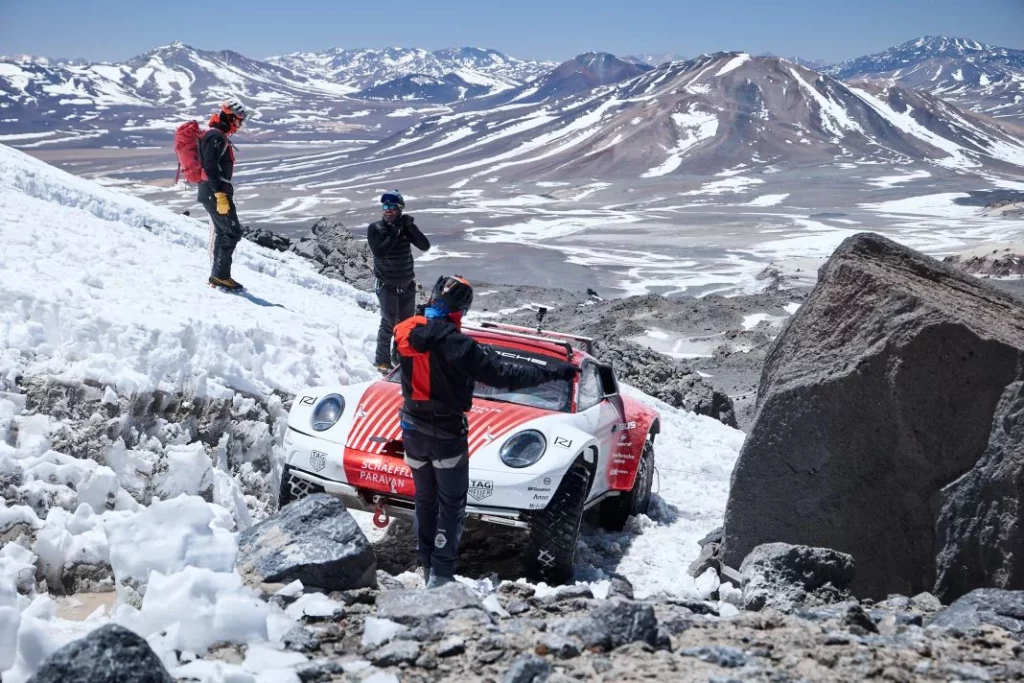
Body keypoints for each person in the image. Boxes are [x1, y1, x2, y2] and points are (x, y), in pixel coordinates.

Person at [394, 275, 578, 588]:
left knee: (425, 499)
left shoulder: (405, 331)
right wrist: (553, 371)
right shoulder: (459, 345)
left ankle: (425, 563)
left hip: (412, 427)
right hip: (446, 433)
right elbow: (505, 375)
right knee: (450, 505)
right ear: (461, 309)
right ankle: (440, 577)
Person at [367, 190, 430, 372]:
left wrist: (411, 228)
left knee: (406, 324)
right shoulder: (376, 228)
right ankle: (382, 361)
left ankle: (400, 358)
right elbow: (379, 251)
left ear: (400, 208)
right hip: (386, 284)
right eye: (385, 206)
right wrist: (394, 233)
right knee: (389, 322)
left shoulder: (405, 228)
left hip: (406, 283)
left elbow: (424, 245)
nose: (388, 210)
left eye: (392, 207)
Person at [199, 98, 249, 291]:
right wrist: (220, 195)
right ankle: (221, 276)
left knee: (224, 231)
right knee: (233, 231)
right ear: (229, 117)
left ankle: (218, 276)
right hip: (215, 193)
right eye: (238, 120)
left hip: (212, 191)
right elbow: (210, 167)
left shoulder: (216, 135)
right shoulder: (216, 137)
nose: (239, 125)